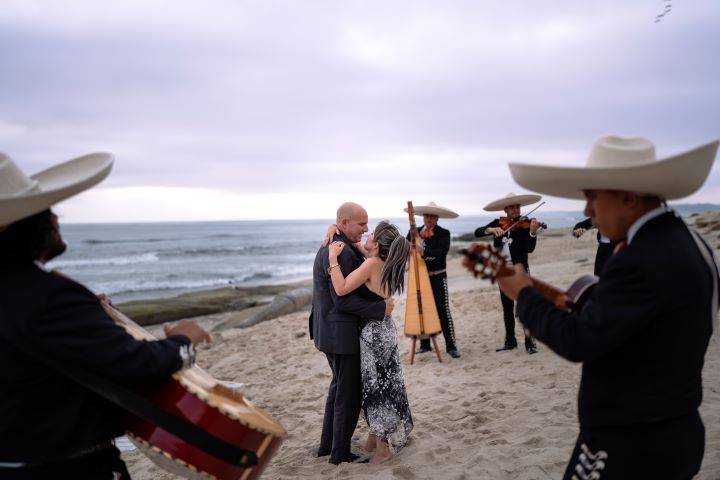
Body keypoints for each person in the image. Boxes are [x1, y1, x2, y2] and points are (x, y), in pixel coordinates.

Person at [500, 135, 719, 479]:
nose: (587, 211)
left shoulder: (638, 259)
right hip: (678, 429)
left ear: (628, 197)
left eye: (591, 197)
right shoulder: (691, 242)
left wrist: (524, 296)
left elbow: (580, 340)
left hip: (629, 443)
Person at [0, 152, 211, 479]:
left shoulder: (36, 297)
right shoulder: (48, 297)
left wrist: (88, 318)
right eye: (48, 212)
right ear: (31, 225)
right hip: (67, 467)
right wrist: (183, 341)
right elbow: (137, 364)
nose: (56, 220)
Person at [309, 202, 393, 465]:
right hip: (340, 334)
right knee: (349, 393)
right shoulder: (341, 252)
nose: (366, 228)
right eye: (361, 224)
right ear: (344, 223)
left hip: (326, 330)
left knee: (338, 389)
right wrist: (380, 308)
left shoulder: (335, 242)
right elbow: (343, 301)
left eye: (367, 223)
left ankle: (328, 446)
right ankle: (339, 453)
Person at [328, 220, 414, 464]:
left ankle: (383, 449)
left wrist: (333, 258)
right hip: (386, 329)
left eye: (371, 233)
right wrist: (333, 228)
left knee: (375, 389)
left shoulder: (371, 264)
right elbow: (361, 246)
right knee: (388, 382)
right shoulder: (389, 262)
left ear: (376, 245)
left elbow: (342, 288)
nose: (366, 232)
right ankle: (375, 439)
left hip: (374, 333)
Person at [475, 192, 542, 354]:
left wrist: (532, 232)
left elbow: (529, 249)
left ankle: (530, 343)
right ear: (506, 209)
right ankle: (510, 341)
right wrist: (491, 229)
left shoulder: (526, 224)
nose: (515, 210)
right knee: (507, 307)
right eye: (511, 207)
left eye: (517, 207)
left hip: (520, 270)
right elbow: (478, 232)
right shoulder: (499, 222)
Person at [404, 202, 461, 358]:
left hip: (437, 276)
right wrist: (408, 247)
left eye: (432, 216)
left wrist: (423, 251)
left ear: (437, 218)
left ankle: (451, 345)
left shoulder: (444, 233)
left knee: (443, 311)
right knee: (422, 310)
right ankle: (425, 344)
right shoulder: (413, 232)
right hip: (419, 278)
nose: (429, 219)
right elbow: (406, 249)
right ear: (423, 217)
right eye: (427, 216)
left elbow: (440, 253)